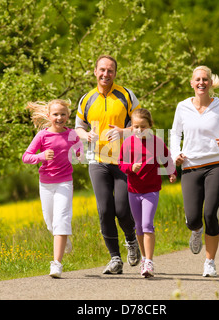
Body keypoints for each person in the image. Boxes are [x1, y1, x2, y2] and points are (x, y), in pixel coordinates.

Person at [170, 66, 219, 277]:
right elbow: (175, 135)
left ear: (211, 83)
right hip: (190, 166)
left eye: (205, 79)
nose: (201, 83)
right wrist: (176, 155)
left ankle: (209, 262)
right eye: (197, 79)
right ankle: (196, 230)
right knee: (193, 218)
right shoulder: (182, 107)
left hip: (216, 165)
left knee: (210, 214)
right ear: (192, 83)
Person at [75, 55, 141, 274]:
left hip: (123, 160)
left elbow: (143, 126)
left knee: (122, 209)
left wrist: (123, 131)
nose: (105, 74)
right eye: (102, 70)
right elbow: (78, 127)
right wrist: (86, 136)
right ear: (95, 71)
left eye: (110, 70)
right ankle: (115, 259)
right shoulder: (86, 99)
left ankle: (131, 240)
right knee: (104, 210)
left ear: (115, 73)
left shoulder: (126, 95)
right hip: (97, 160)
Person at [23, 99, 83, 278]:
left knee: (62, 219)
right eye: (56, 114)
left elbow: (80, 149)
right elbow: (26, 157)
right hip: (46, 184)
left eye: (63, 114)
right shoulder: (42, 135)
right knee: (50, 222)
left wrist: (80, 155)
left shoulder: (72, 134)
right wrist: (41, 156)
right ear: (49, 116)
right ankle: (64, 240)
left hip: (65, 182)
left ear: (68, 116)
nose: (59, 117)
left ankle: (56, 263)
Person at [119, 108, 177, 278]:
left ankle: (149, 261)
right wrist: (131, 168)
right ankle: (144, 258)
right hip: (133, 190)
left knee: (147, 225)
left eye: (143, 127)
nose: (139, 130)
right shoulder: (128, 143)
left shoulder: (157, 142)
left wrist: (172, 172)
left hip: (151, 190)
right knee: (138, 227)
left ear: (150, 126)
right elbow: (121, 164)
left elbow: (167, 157)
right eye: (135, 127)